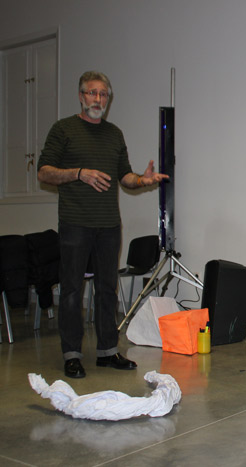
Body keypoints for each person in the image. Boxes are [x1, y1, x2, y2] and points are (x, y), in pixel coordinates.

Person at [38, 71, 169, 378]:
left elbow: (125, 176)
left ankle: (108, 352)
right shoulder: (63, 129)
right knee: (72, 290)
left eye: (103, 94)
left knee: (107, 289)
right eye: (92, 93)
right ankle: (72, 354)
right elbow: (44, 172)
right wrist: (78, 173)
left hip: (109, 225)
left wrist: (142, 180)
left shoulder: (114, 134)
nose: (98, 99)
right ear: (81, 96)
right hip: (75, 224)